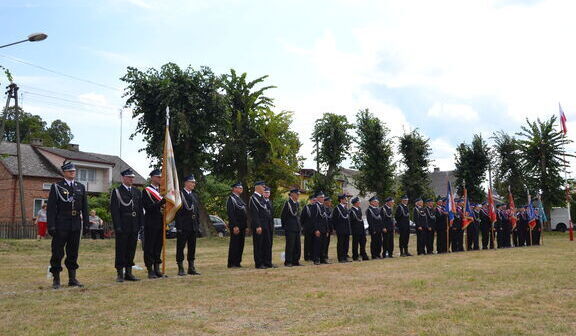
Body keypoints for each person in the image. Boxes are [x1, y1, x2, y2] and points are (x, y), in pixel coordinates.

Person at [47, 161, 88, 289]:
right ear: (64, 172)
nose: (72, 173)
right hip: (61, 222)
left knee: (73, 252)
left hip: (75, 223)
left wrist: (86, 223)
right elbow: (51, 208)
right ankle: (56, 279)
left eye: (74, 171)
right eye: (70, 171)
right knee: (58, 251)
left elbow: (85, 208)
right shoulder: (57, 187)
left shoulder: (80, 187)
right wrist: (51, 225)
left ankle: (72, 278)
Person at [110, 168, 144, 282]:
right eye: (129, 177)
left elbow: (139, 209)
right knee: (121, 249)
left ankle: (129, 272)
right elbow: (115, 211)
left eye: (132, 177)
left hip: (134, 224)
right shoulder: (117, 191)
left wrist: (141, 223)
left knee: (131, 249)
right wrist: (117, 226)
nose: (131, 179)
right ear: (123, 178)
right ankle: (120, 273)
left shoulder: (136, 191)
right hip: (123, 224)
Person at [142, 169, 167, 279]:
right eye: (158, 177)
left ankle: (157, 268)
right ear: (152, 178)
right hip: (151, 222)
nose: (160, 179)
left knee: (158, 246)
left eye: (161, 177)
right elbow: (148, 207)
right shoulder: (146, 191)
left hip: (161, 221)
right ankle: (150, 269)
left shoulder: (162, 191)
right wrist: (161, 202)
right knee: (150, 246)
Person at [175, 175, 201, 276]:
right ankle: (181, 268)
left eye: (194, 182)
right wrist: (179, 226)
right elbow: (177, 212)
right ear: (186, 183)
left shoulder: (194, 195)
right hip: (183, 225)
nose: (193, 184)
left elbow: (197, 211)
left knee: (192, 247)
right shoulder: (180, 195)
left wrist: (197, 225)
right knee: (180, 247)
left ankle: (191, 267)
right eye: (191, 182)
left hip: (193, 225)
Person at [249, 181, 273, 269]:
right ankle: (259, 263)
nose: (264, 188)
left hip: (266, 224)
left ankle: (267, 262)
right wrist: (258, 225)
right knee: (259, 245)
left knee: (266, 244)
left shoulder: (262, 198)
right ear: (258, 187)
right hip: (260, 225)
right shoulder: (253, 198)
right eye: (263, 187)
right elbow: (254, 214)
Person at [226, 183, 247, 268]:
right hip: (236, 226)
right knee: (234, 245)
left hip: (242, 225)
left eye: (242, 188)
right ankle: (232, 263)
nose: (241, 189)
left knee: (240, 244)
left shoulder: (239, 199)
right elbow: (231, 214)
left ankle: (238, 262)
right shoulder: (231, 199)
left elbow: (244, 213)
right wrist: (235, 226)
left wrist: (246, 226)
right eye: (239, 188)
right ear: (234, 189)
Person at [281, 188, 302, 267]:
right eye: (297, 194)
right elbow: (283, 216)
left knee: (297, 245)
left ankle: (295, 261)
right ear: (292, 194)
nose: (298, 195)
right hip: (289, 227)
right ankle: (288, 261)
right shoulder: (287, 203)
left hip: (296, 227)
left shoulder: (297, 203)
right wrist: (285, 227)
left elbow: (297, 215)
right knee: (290, 245)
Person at [332, 194, 351, 263]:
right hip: (340, 229)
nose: (346, 200)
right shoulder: (337, 208)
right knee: (341, 244)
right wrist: (334, 229)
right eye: (345, 199)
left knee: (346, 244)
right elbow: (334, 219)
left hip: (346, 228)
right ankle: (341, 258)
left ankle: (345, 256)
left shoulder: (346, 208)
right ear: (341, 200)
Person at [262, 187, 277, 268]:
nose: (267, 194)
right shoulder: (261, 201)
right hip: (264, 226)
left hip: (270, 226)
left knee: (270, 244)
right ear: (263, 193)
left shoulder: (270, 202)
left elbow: (271, 214)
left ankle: (269, 262)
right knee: (265, 244)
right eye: (265, 192)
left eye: (268, 192)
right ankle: (264, 262)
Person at [350, 197, 368, 261]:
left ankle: (363, 254)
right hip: (355, 229)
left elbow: (360, 219)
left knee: (363, 242)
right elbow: (351, 221)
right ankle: (355, 256)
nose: (359, 203)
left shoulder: (359, 209)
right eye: (358, 202)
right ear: (355, 203)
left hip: (361, 229)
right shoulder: (351, 210)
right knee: (355, 243)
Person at [300, 194, 318, 262]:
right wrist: (303, 227)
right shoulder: (306, 207)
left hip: (314, 228)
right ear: (310, 200)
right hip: (307, 228)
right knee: (307, 243)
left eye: (315, 200)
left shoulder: (317, 207)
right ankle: (306, 256)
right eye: (313, 200)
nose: (314, 201)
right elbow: (302, 218)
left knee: (314, 243)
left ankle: (313, 256)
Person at [323, 196, 334, 263]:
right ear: (325, 202)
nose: (330, 202)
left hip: (329, 228)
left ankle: (326, 255)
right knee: (324, 243)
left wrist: (332, 228)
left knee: (327, 243)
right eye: (329, 201)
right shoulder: (323, 208)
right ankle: (323, 256)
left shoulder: (330, 209)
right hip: (324, 228)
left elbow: (331, 219)